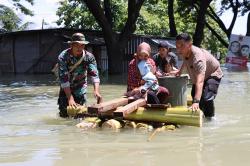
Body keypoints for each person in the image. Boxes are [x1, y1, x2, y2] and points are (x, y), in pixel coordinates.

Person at [175, 33, 223, 118]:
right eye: (177, 46)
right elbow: (185, 61)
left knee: (206, 97)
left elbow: (200, 82)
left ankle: (210, 118)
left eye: (181, 45)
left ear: (190, 44)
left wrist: (196, 102)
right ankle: (200, 116)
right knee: (194, 95)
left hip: (213, 73)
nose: (179, 49)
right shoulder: (184, 51)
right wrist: (180, 71)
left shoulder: (198, 59)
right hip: (199, 75)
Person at [57, 33, 102, 117]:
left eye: (82, 45)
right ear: (71, 45)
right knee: (64, 115)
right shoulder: (63, 57)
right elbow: (64, 79)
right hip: (66, 88)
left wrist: (96, 91)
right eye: (77, 45)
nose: (80, 48)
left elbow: (94, 75)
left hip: (80, 88)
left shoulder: (89, 57)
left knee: (81, 115)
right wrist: (70, 98)